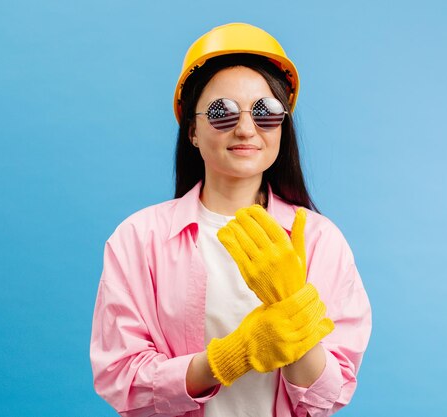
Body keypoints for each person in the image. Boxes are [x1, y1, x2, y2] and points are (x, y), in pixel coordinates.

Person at [90, 22, 372, 417]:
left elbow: (328, 396)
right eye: (222, 112)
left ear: (282, 126)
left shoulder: (320, 241)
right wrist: (229, 358)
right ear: (192, 130)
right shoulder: (138, 239)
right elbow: (121, 380)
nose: (245, 128)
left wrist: (292, 310)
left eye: (266, 112)